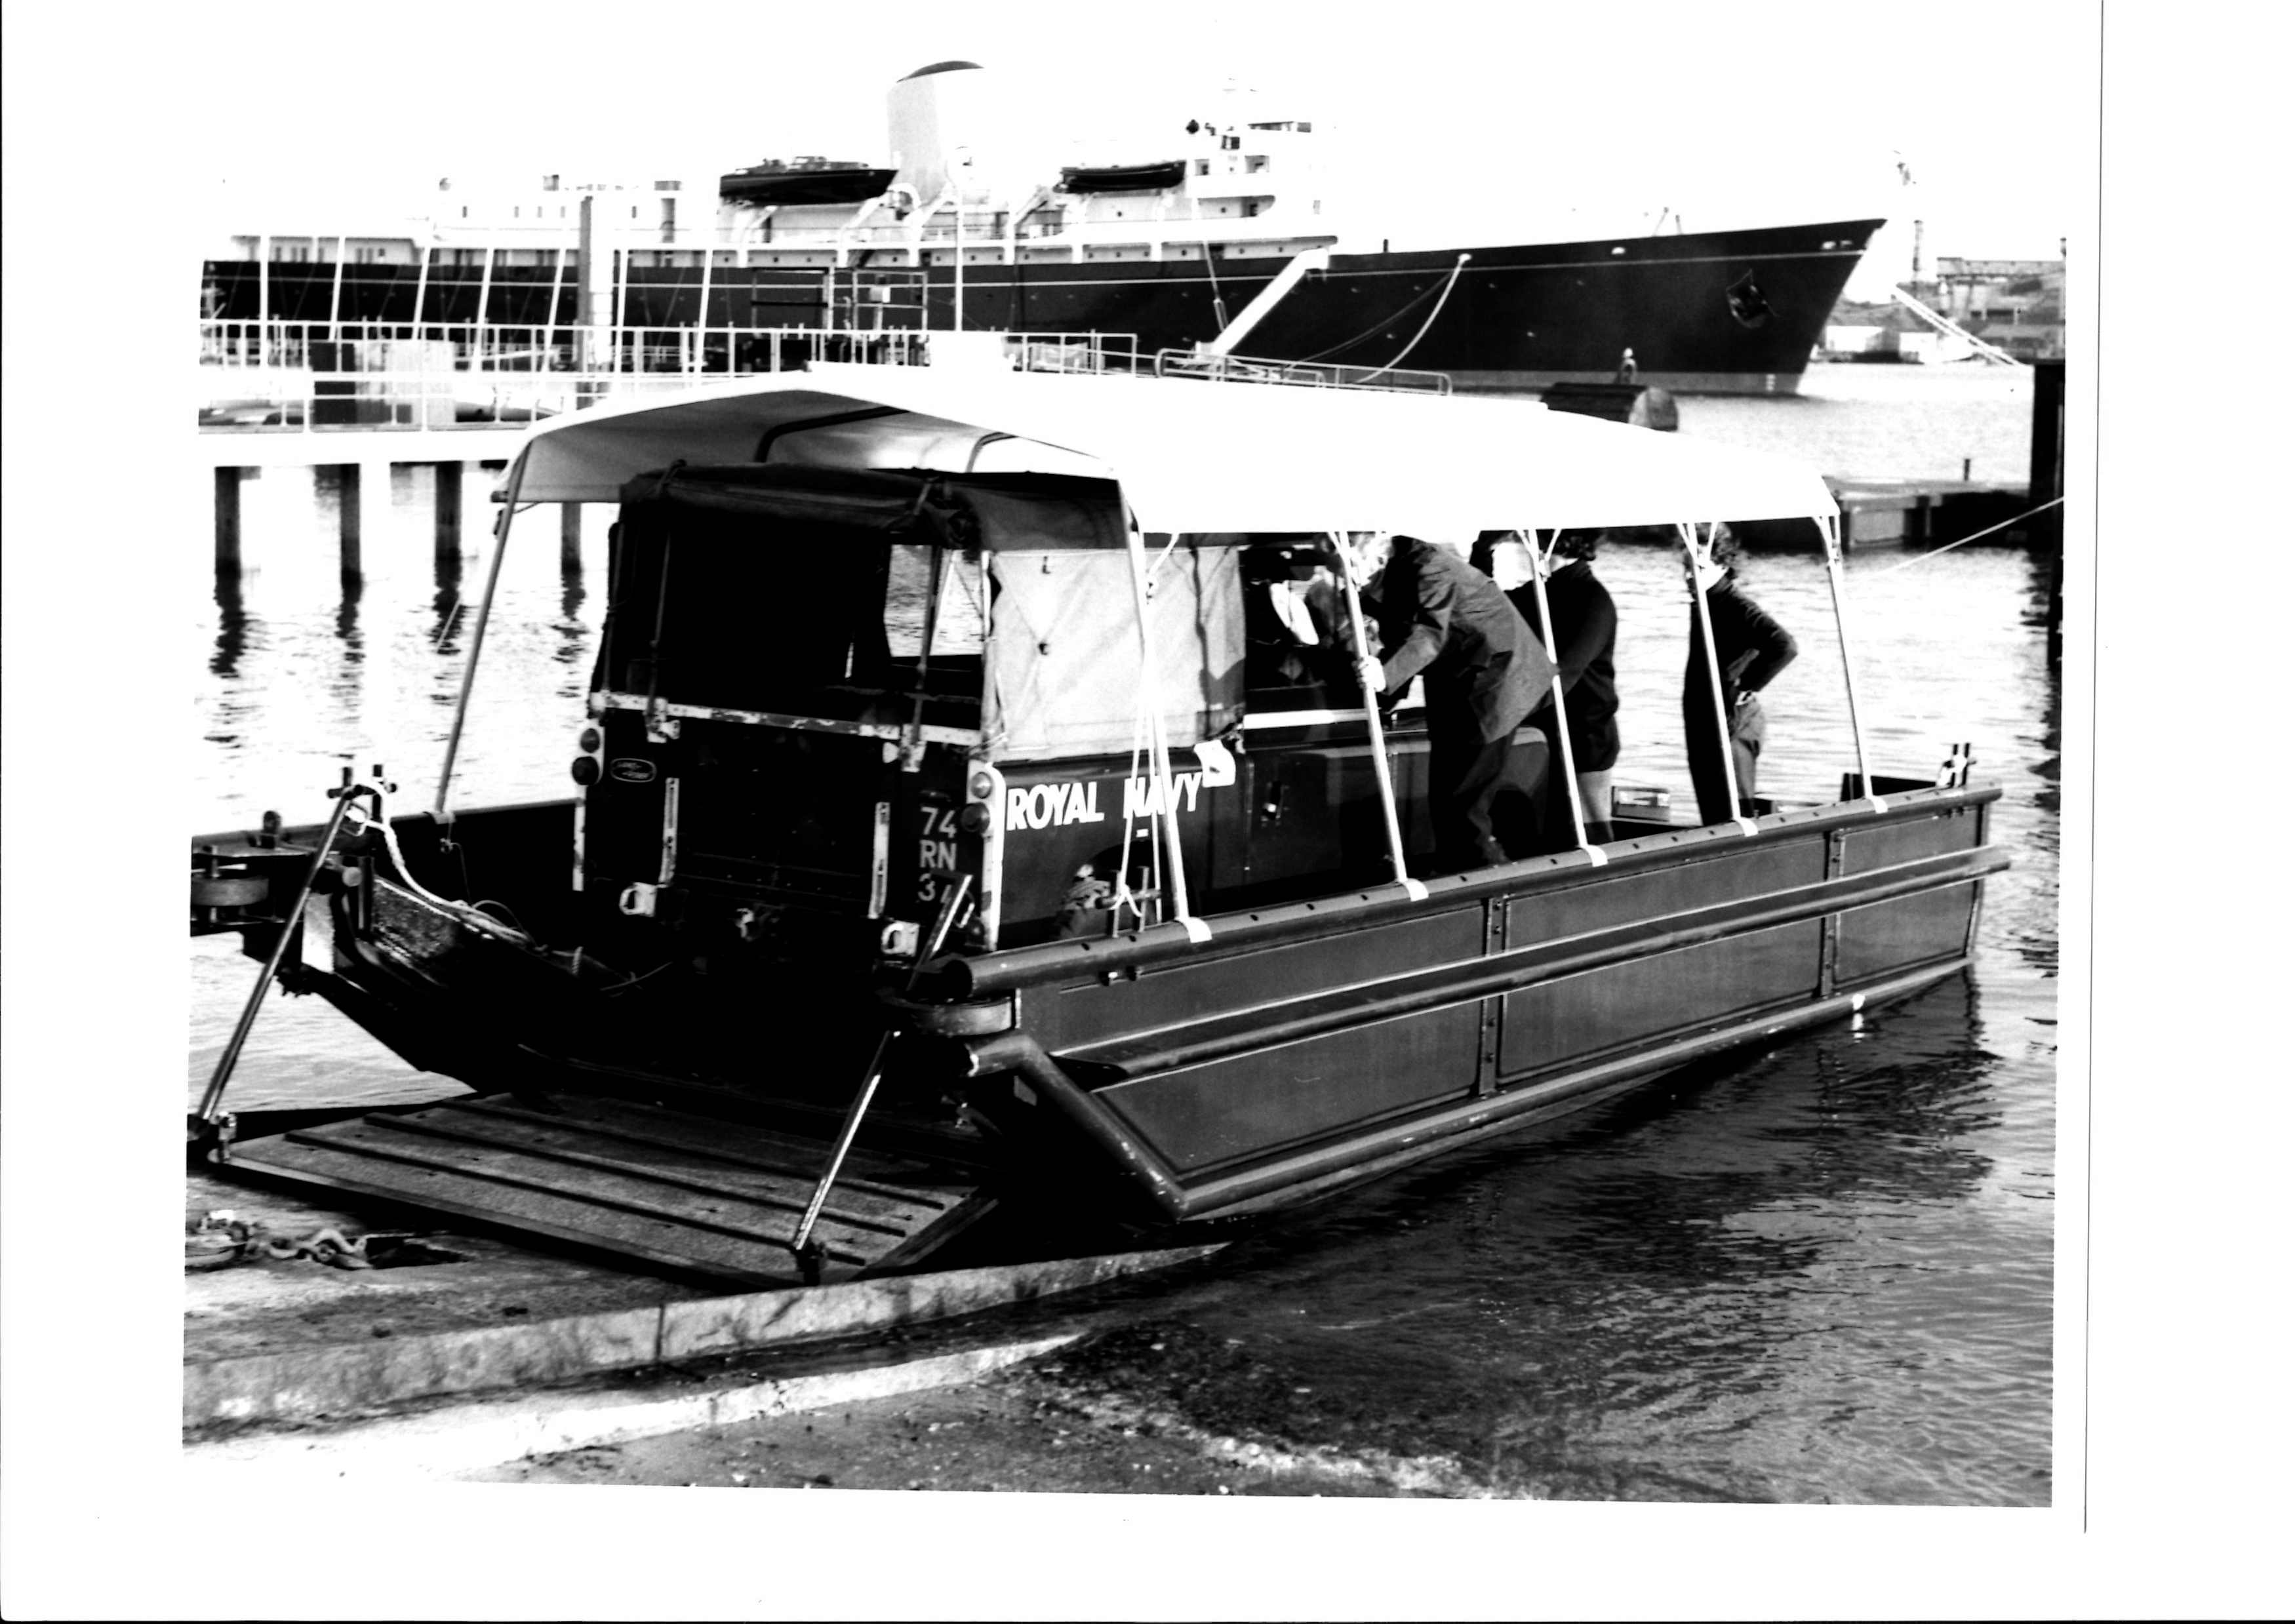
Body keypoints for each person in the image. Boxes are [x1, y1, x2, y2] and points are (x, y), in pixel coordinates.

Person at [1340, 532, 1556, 873]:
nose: (1344, 572)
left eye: (1347, 562)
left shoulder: (1429, 566)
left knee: (1465, 805)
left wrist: (1385, 677)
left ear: (1374, 553)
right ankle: (1456, 872)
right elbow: (1403, 635)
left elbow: (1428, 633)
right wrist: (1387, 692)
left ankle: (1489, 885)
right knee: (1446, 799)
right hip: (1457, 682)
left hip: (1495, 682)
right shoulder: (1385, 574)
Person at [1472, 529, 1620, 846]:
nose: (1528, 549)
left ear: (1550, 543)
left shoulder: (1593, 601)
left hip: (1583, 740)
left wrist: (1498, 714)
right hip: (1538, 736)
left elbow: (1564, 674)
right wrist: (1484, 550)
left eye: (1532, 540)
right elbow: (1484, 610)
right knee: (1543, 835)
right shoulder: (1541, 592)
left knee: (1589, 840)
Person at [1681, 525, 1797, 825]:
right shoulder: (1707, 602)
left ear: (1722, 565)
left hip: (1733, 722)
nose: (1688, 576)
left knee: (1732, 816)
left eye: (1697, 568)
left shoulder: (1735, 605)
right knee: (1715, 813)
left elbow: (1784, 645)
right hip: (1709, 720)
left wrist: (1748, 685)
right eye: (1685, 568)